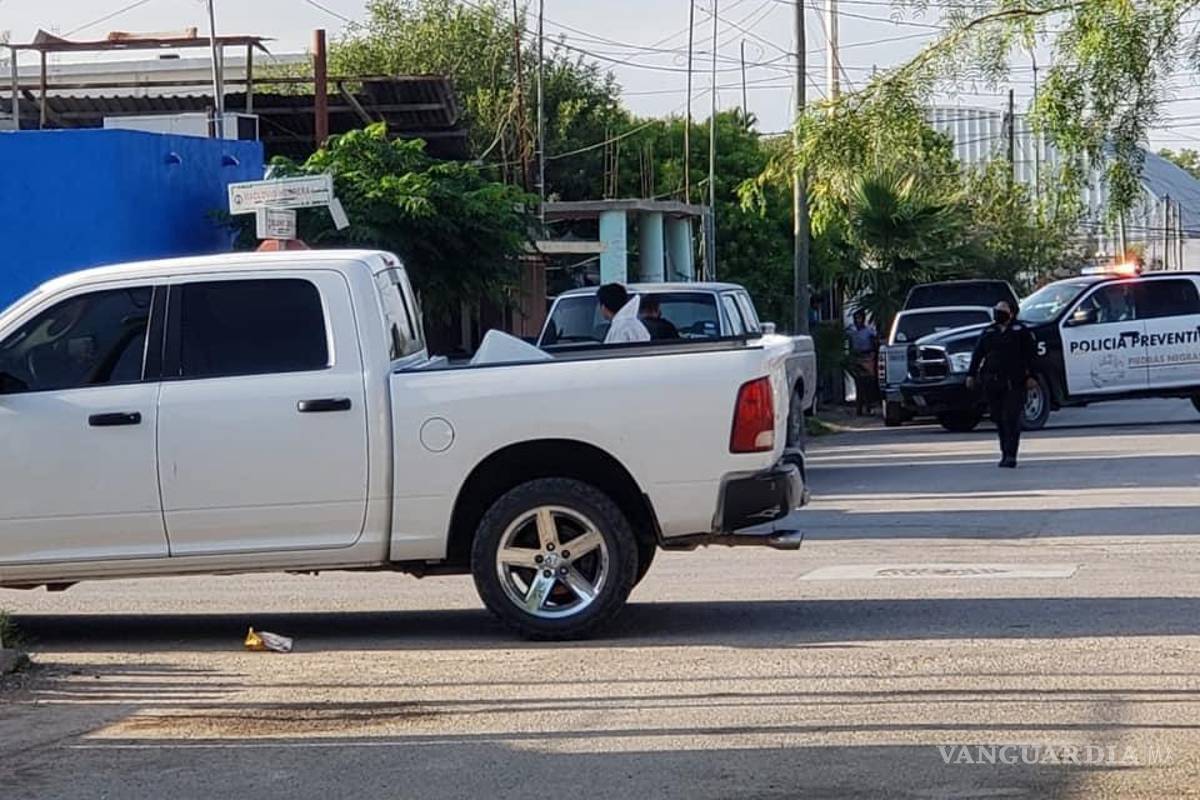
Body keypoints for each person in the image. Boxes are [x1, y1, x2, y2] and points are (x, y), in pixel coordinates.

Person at [967, 300, 1038, 468]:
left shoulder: (1021, 331)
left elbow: (1032, 356)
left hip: (1015, 381)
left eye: (1002, 310)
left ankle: (1011, 454)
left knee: (1011, 418)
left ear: (1011, 313)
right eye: (996, 310)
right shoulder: (989, 331)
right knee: (998, 418)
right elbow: (978, 354)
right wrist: (971, 374)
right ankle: (1004, 452)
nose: (998, 313)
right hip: (993, 381)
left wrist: (1032, 377)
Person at [845, 309, 878, 416]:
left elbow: (874, 344)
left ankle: (869, 406)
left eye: (859, 318)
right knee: (859, 383)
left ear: (863, 319)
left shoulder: (869, 331)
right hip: (856, 358)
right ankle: (859, 408)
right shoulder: (851, 332)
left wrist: (873, 356)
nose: (857, 321)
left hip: (868, 357)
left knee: (868, 383)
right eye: (855, 319)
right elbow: (849, 344)